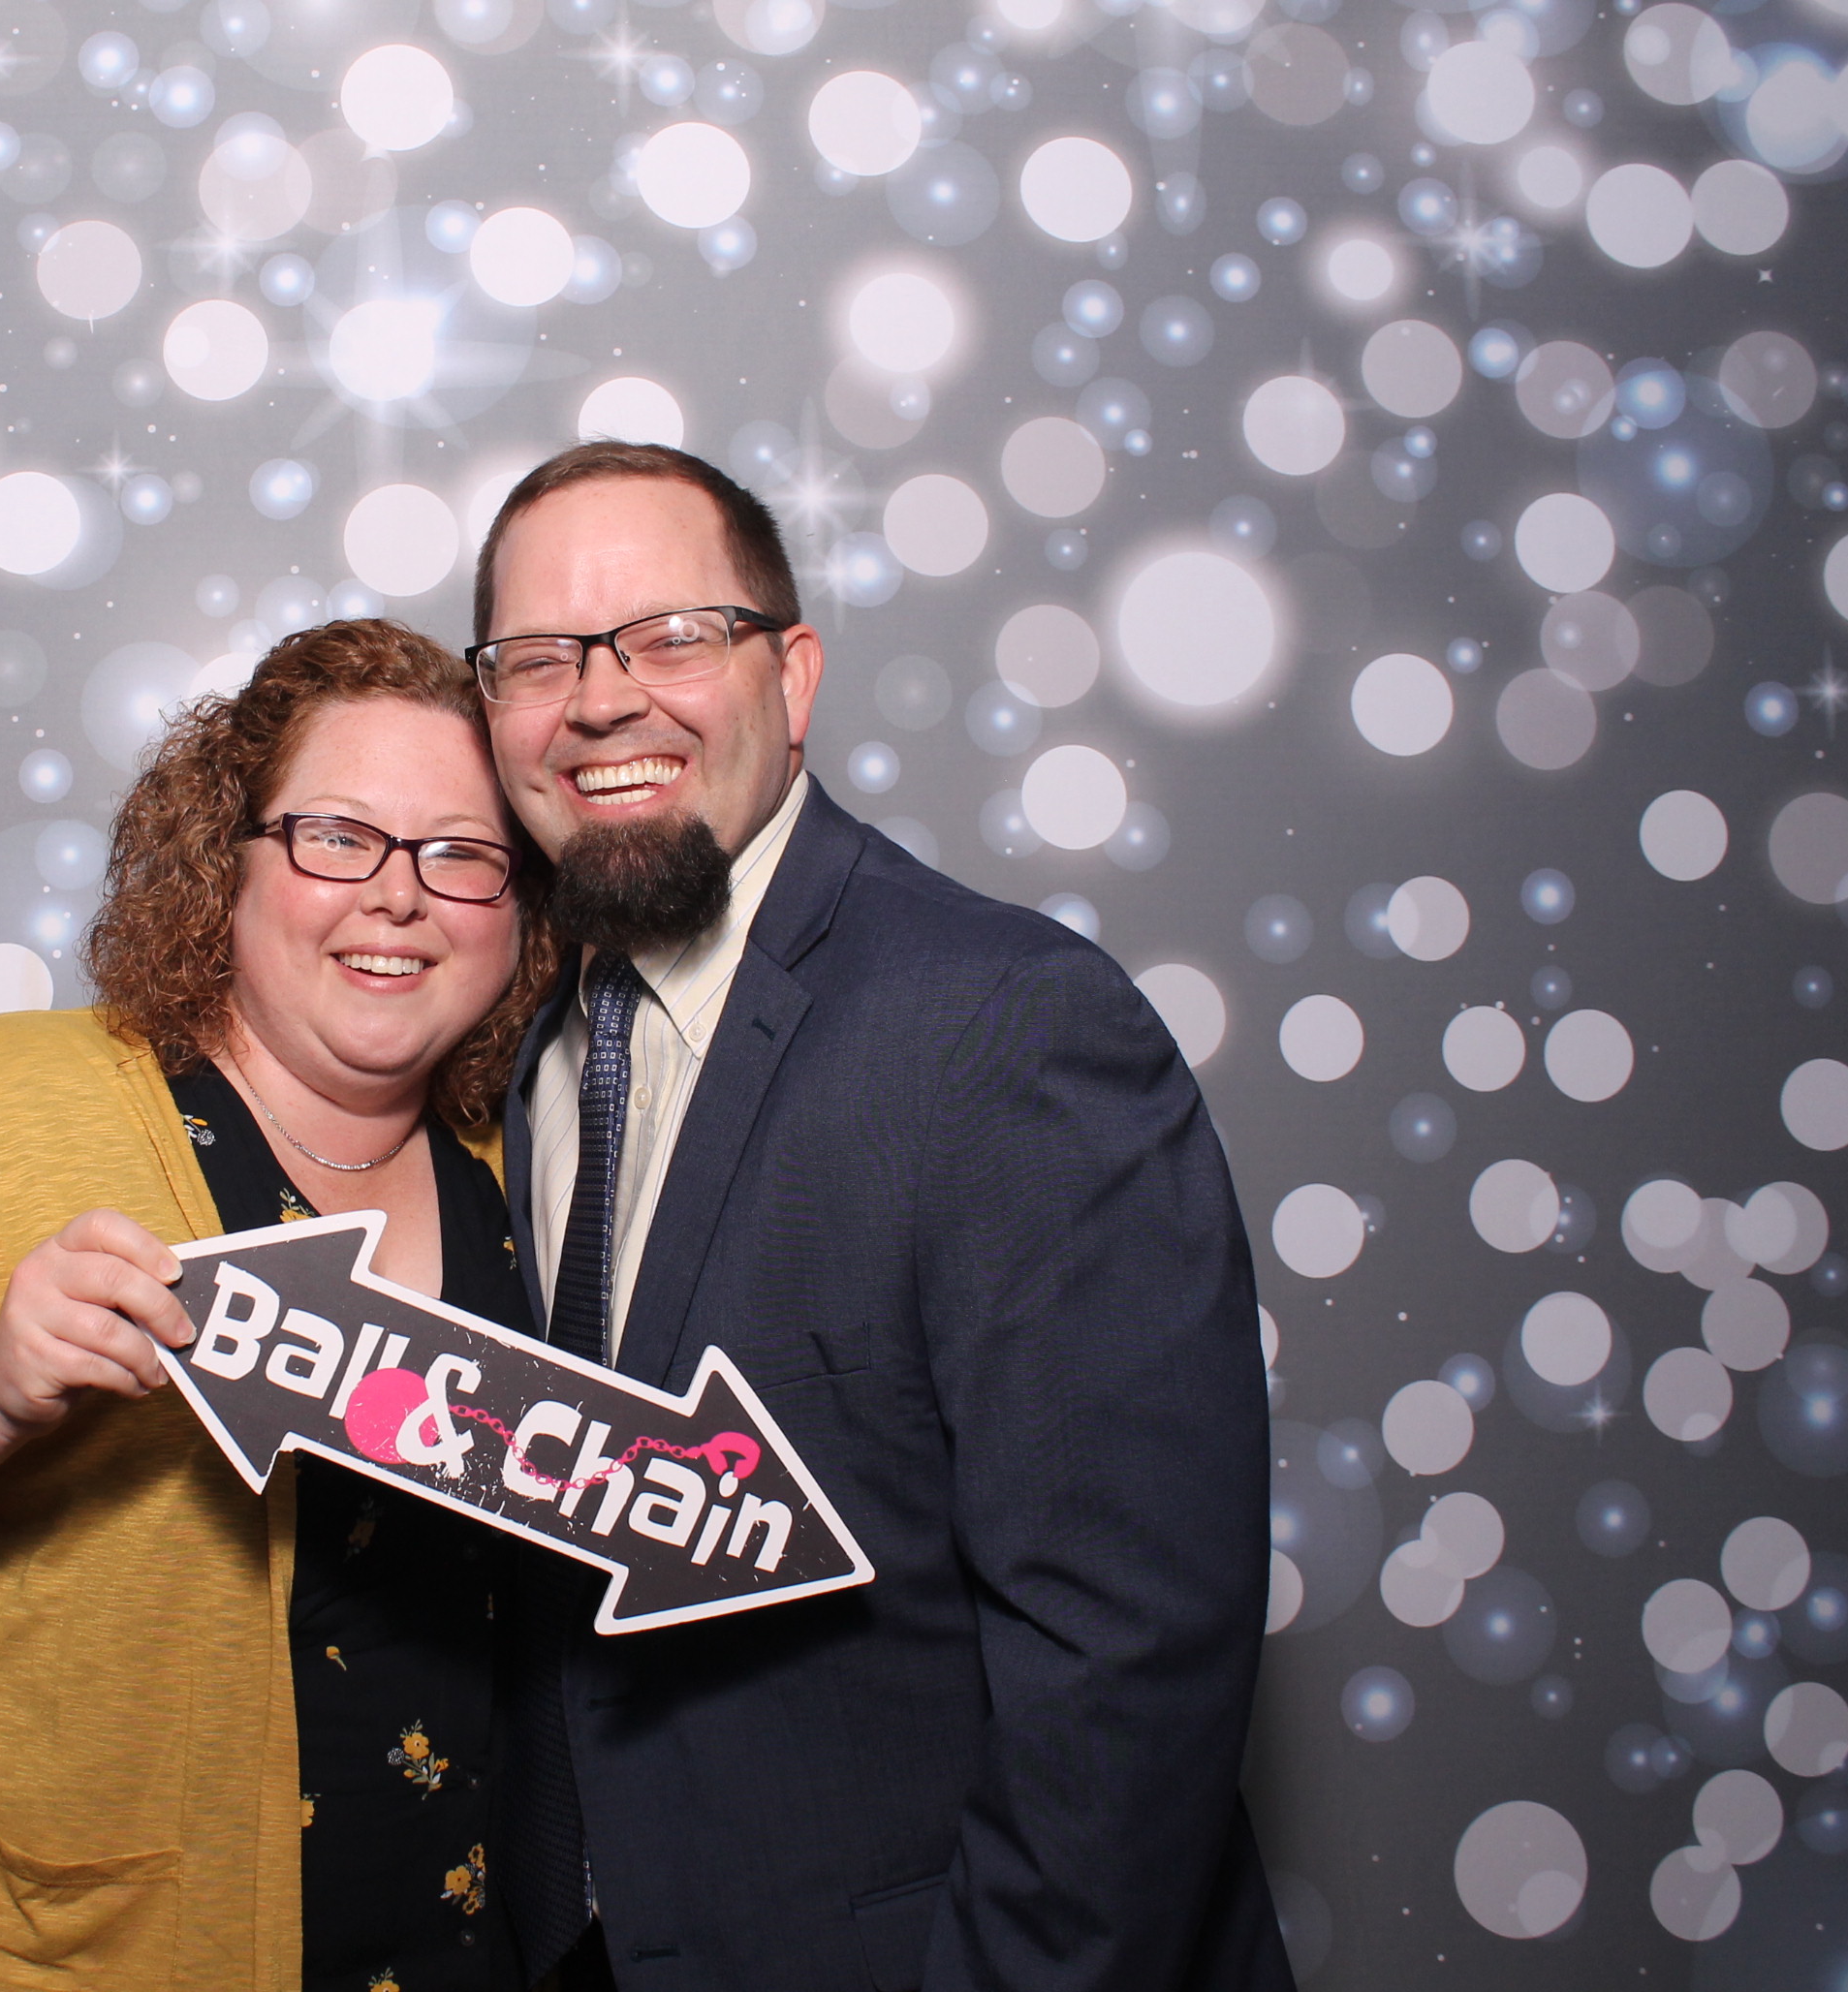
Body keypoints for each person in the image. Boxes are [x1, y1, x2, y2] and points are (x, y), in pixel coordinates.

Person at [468, 444, 1289, 1992]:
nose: (599, 701)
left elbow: (1129, 1672)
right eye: (537, 659)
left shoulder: (1005, 1028)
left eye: (670, 636)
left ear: (793, 676)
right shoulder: (549, 1046)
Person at [0, 619, 560, 1990]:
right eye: (338, 836)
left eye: (462, 853)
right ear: (229, 861)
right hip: (32, 1952)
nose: (400, 896)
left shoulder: (539, 1175)